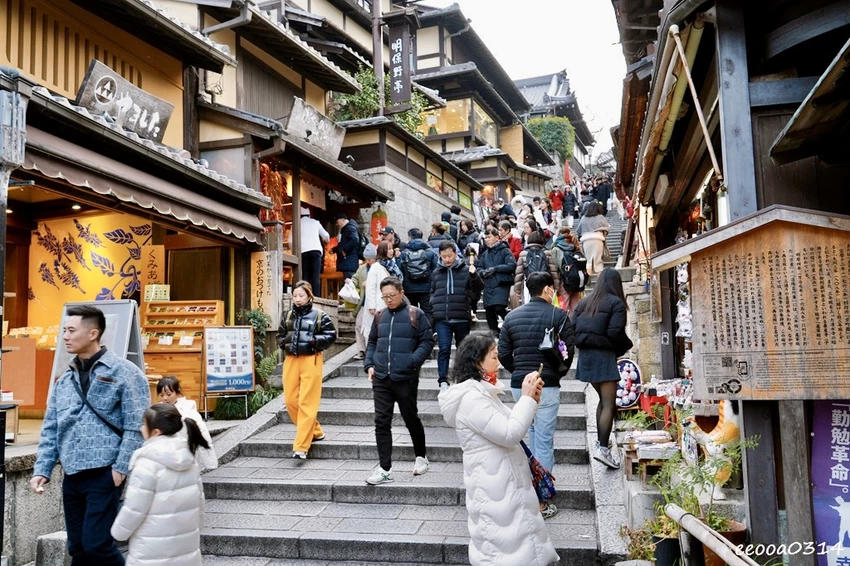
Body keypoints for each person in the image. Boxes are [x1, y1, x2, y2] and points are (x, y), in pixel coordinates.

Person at [30, 305, 150, 565]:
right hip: (71, 473)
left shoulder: (125, 372)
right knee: (78, 547)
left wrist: (119, 469)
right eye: (64, 330)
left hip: (104, 472)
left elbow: (137, 424)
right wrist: (42, 468)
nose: (65, 336)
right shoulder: (64, 380)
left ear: (93, 333)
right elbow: (52, 427)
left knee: (97, 544)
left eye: (71, 330)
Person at [438, 333, 559, 566]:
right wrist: (525, 399)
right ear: (477, 362)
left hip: (503, 480)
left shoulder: (483, 393)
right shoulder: (471, 398)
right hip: (494, 485)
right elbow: (508, 433)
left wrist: (531, 399)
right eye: (494, 357)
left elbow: (511, 425)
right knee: (502, 551)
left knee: (517, 547)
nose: (499, 362)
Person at [498, 272, 575, 518]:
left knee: (526, 434)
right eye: (551, 289)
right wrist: (556, 373)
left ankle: (527, 487)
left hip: (520, 384)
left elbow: (502, 353)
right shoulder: (558, 315)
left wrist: (519, 372)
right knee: (543, 439)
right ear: (546, 289)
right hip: (547, 384)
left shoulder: (511, 317)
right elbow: (568, 351)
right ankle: (542, 496)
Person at [110, 403, 206, 566]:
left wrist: (118, 532)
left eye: (143, 424)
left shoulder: (147, 463)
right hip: (185, 547)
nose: (140, 428)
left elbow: (135, 508)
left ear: (155, 432)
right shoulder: (189, 459)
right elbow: (200, 501)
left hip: (150, 550)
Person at [364, 277, 435, 484]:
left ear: (402, 293)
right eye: (384, 296)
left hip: (405, 377)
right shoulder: (380, 316)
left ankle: (421, 457)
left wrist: (412, 362)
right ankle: (385, 468)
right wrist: (369, 365)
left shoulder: (416, 314)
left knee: (411, 417)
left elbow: (427, 341)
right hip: (381, 377)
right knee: (381, 422)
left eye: (392, 296)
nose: (388, 300)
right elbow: (372, 343)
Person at [572, 268, 629, 470]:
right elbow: (615, 332)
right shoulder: (616, 303)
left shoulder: (584, 302)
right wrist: (624, 346)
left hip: (586, 358)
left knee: (602, 402)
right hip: (604, 357)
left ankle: (600, 442)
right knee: (609, 404)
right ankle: (603, 449)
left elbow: (573, 329)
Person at [278, 281, 338, 459]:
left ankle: (301, 446)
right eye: (295, 295)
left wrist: (314, 341)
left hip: (311, 359)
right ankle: (316, 430)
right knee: (290, 401)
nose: (297, 299)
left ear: (309, 296)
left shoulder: (319, 315)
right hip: (291, 359)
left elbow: (331, 335)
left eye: (301, 295)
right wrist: (283, 343)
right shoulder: (287, 315)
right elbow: (281, 334)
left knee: (307, 402)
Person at [431, 241, 484, 390]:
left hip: (461, 315)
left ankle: (461, 376)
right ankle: (443, 379)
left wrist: (474, 276)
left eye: (449, 256)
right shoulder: (436, 273)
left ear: (455, 253)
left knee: (462, 349)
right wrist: (433, 304)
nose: (447, 259)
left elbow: (478, 288)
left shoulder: (466, 270)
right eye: (443, 257)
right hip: (443, 317)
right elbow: (432, 291)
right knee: (444, 348)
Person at [156, 376, 217, 471]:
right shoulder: (156, 411)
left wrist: (210, 461)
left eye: (168, 394)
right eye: (161, 395)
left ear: (177, 392)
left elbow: (203, 434)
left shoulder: (188, 410)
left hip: (185, 455)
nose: (165, 398)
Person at [475, 228, 516, 334]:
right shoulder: (485, 254)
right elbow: (479, 267)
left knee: (499, 307)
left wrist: (496, 269)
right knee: (489, 311)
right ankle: (495, 333)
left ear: (497, 237)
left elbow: (511, 265)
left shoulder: (505, 251)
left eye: (489, 237)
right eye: (486, 238)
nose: (487, 240)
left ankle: (512, 324)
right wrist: (482, 272)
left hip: (501, 283)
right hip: (488, 284)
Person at [399, 228, 439, 328]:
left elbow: (400, 272)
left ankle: (414, 335)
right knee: (428, 312)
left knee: (411, 312)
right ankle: (429, 334)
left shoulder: (403, 253)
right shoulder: (430, 252)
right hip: (426, 288)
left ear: (409, 237)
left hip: (409, 288)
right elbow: (436, 270)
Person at [514, 232, 561, 306]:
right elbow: (553, 271)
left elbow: (519, 274)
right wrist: (556, 287)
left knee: (528, 304)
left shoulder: (523, 254)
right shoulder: (546, 253)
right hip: (544, 283)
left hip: (529, 283)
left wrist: (518, 289)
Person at [362, 242, 393, 347]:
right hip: (378, 303)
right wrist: (371, 305)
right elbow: (371, 287)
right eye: (388, 249)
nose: (391, 251)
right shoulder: (377, 267)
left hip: (384, 303)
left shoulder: (387, 266)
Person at [351, 243, 378, 361]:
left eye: (370, 259)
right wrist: (350, 282)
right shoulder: (362, 268)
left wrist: (370, 283)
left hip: (376, 302)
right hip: (363, 302)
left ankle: (373, 350)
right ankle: (361, 350)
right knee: (359, 325)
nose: (368, 261)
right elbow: (355, 278)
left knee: (374, 327)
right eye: (366, 259)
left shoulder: (379, 267)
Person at [295, 206, 329, 297]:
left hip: (303, 251)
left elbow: (291, 240)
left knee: (305, 275)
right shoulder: (315, 222)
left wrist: (295, 250)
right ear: (309, 215)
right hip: (315, 251)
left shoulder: (297, 223)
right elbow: (326, 236)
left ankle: (306, 295)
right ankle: (317, 296)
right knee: (315, 275)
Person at [549, 227, 585, 314]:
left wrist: (555, 285)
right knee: (575, 306)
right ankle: (576, 324)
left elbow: (555, 268)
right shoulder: (574, 245)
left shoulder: (556, 248)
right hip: (576, 281)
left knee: (564, 307)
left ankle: (565, 325)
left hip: (564, 282)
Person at [577, 201, 610, 275]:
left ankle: (588, 281)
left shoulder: (584, 218)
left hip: (586, 241)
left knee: (588, 261)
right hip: (597, 240)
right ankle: (600, 282)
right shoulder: (600, 217)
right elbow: (607, 227)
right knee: (598, 262)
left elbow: (578, 230)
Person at [332, 212, 360, 279]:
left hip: (349, 262)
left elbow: (355, 239)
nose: (336, 224)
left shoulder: (349, 227)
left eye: (337, 222)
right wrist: (335, 249)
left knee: (349, 285)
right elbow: (344, 243)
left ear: (342, 219)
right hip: (348, 262)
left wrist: (344, 250)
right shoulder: (345, 228)